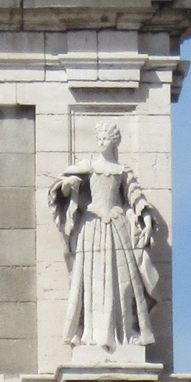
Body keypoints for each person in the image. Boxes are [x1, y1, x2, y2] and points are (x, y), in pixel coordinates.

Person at [46, 122, 162, 355]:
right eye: (99, 138)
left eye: (105, 138)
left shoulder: (122, 170)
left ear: (114, 142)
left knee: (123, 281)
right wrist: (68, 186)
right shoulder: (87, 165)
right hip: (92, 225)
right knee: (93, 279)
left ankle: (124, 331)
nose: (101, 142)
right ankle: (92, 331)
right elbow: (61, 189)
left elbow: (135, 196)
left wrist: (146, 218)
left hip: (117, 225)